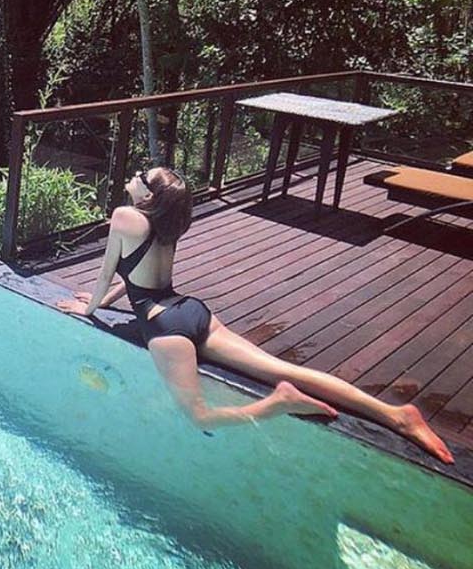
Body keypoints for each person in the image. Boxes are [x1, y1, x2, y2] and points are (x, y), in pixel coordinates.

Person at [56, 166, 454, 464]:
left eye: (143, 176)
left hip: (164, 326)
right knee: (282, 367)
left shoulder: (124, 217)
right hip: (189, 310)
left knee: (199, 416)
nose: (135, 176)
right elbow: (133, 276)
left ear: (149, 194)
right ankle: (395, 415)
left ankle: (278, 403)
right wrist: (105, 302)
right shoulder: (164, 223)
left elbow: (107, 272)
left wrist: (88, 309)